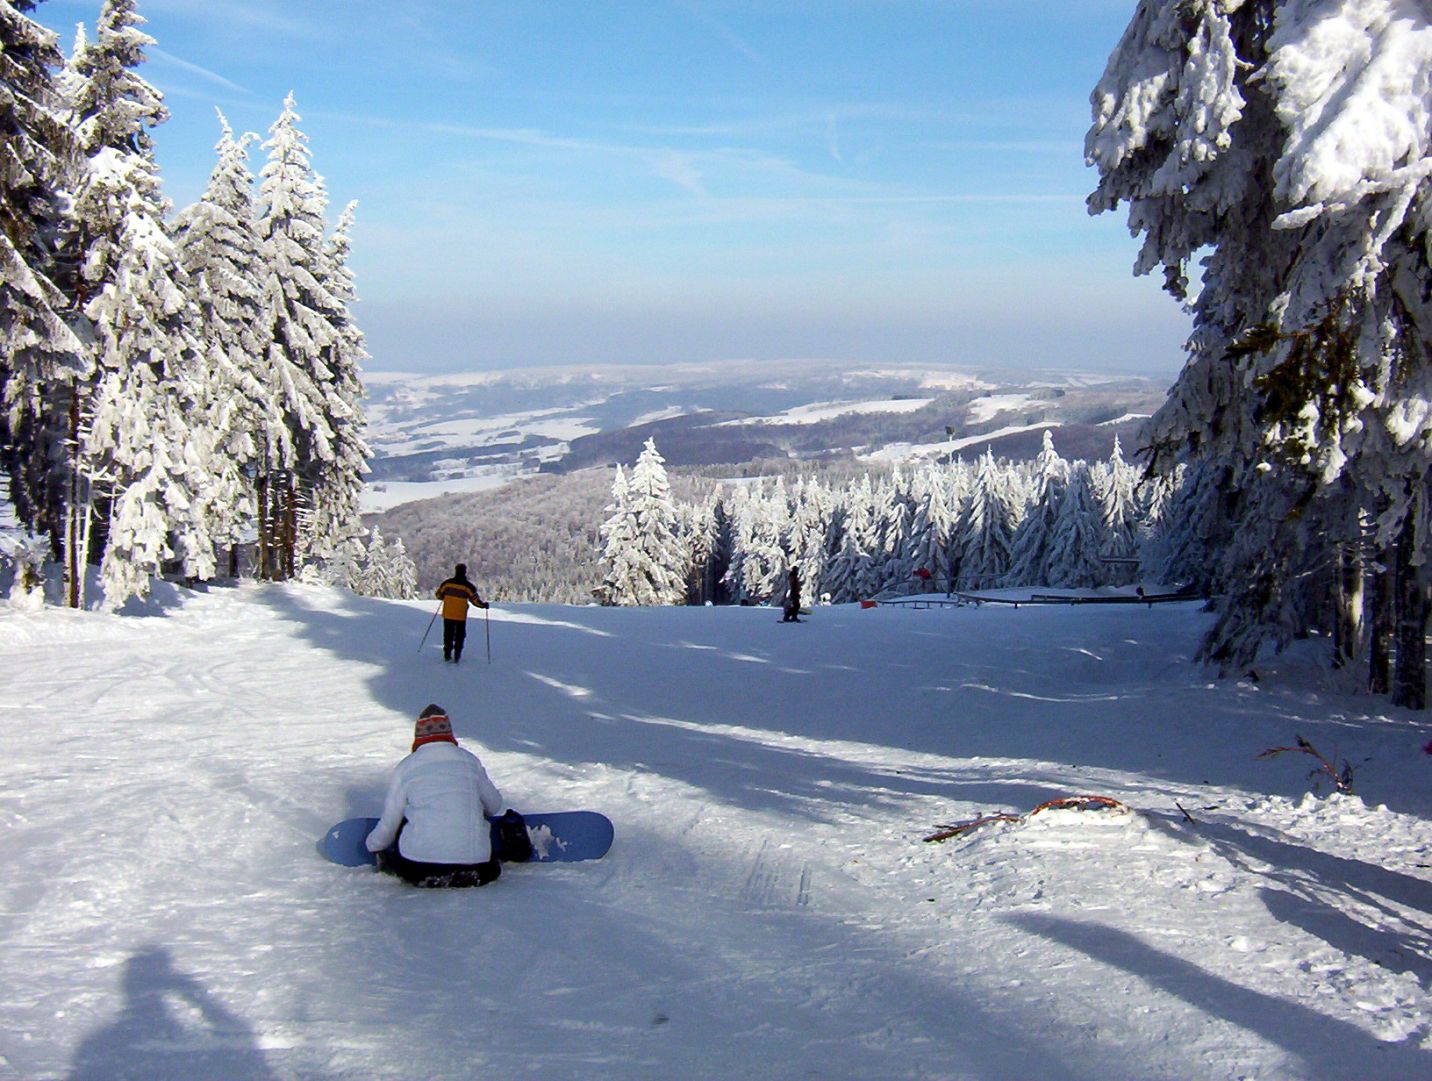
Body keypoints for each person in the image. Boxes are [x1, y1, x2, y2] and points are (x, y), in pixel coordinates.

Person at [366, 704, 507, 888]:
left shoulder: (407, 767)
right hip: (478, 869)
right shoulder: (469, 761)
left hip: (421, 869)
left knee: (404, 820)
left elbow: (390, 822)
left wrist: (373, 845)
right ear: (449, 734)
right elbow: (495, 805)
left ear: (418, 737)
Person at [435, 563, 488, 663]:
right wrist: (484, 605)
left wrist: (445, 597)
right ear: (465, 572)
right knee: (460, 635)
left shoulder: (447, 583)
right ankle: (457, 655)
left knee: (448, 635)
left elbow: (438, 595)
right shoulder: (468, 587)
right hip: (460, 616)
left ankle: (447, 654)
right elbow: (475, 601)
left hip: (448, 613)